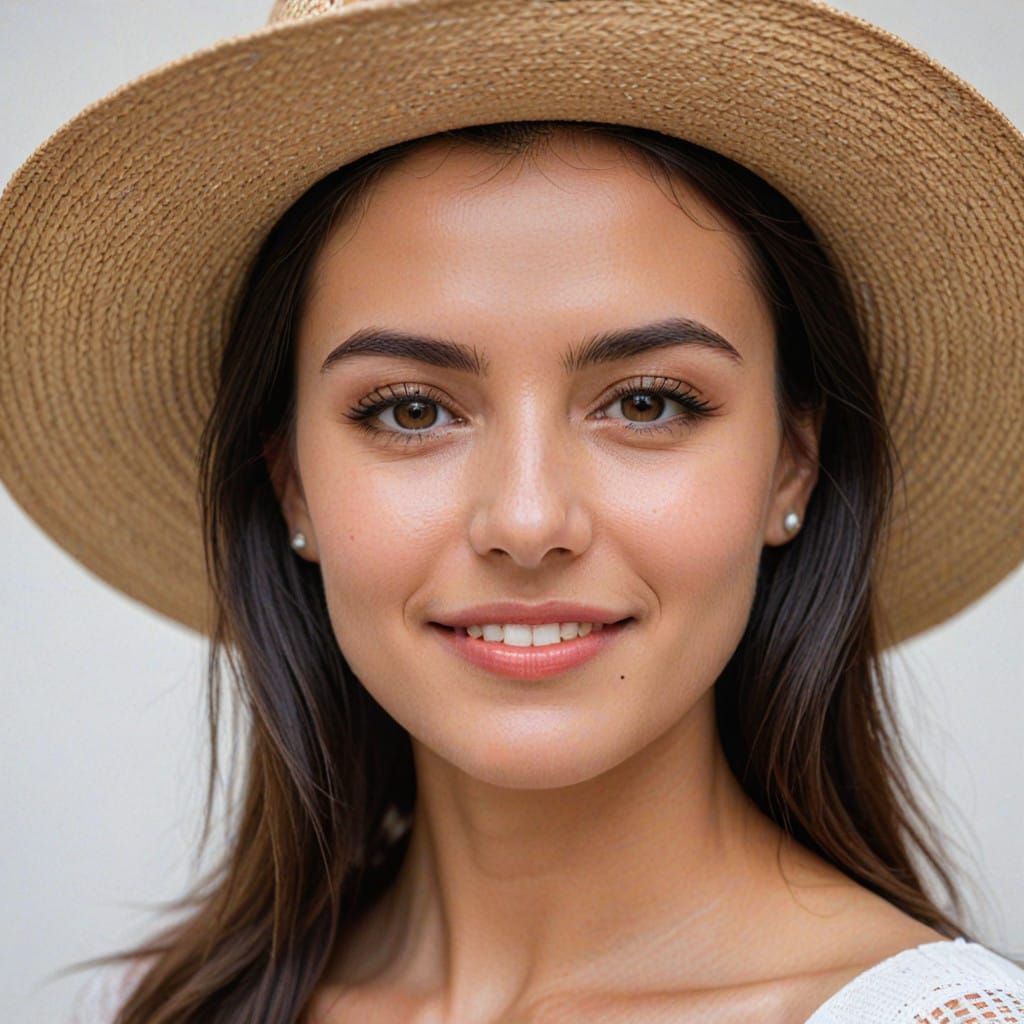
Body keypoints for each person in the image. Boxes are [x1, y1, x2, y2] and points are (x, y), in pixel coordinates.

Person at [2, 2, 1022, 1022]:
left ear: (792, 467)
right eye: (410, 410)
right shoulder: (173, 1008)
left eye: (646, 402)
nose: (528, 521)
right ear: (291, 483)